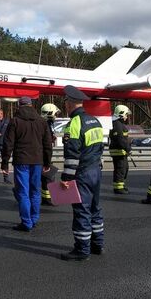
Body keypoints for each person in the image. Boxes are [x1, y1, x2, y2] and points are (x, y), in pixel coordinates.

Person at [59, 85, 105, 261]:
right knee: (95, 209)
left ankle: (82, 249)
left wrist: (66, 178)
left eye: (66, 103)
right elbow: (100, 148)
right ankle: (97, 244)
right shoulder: (95, 121)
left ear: (69, 104)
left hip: (82, 173)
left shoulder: (74, 124)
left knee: (81, 211)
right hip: (96, 171)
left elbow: (72, 155)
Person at [1, 96, 53, 231]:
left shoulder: (15, 121)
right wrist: (47, 162)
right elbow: (48, 144)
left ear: (19, 106)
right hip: (37, 161)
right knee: (35, 191)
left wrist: (5, 164)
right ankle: (34, 219)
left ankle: (26, 222)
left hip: (21, 161)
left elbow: (8, 144)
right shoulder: (42, 121)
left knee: (23, 192)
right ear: (31, 105)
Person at [40, 103, 60, 205]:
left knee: (44, 178)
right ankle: (47, 199)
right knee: (48, 178)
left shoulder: (43, 124)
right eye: (55, 113)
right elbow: (46, 145)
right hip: (44, 157)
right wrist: (47, 162)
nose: (56, 116)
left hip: (41, 156)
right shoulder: (46, 125)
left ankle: (46, 198)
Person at [109, 105, 132, 194]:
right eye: (126, 114)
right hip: (119, 151)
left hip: (121, 151)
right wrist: (128, 149)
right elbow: (120, 139)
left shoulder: (119, 124)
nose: (127, 116)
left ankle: (121, 185)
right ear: (121, 114)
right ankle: (118, 188)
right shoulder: (117, 124)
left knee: (124, 169)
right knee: (120, 169)